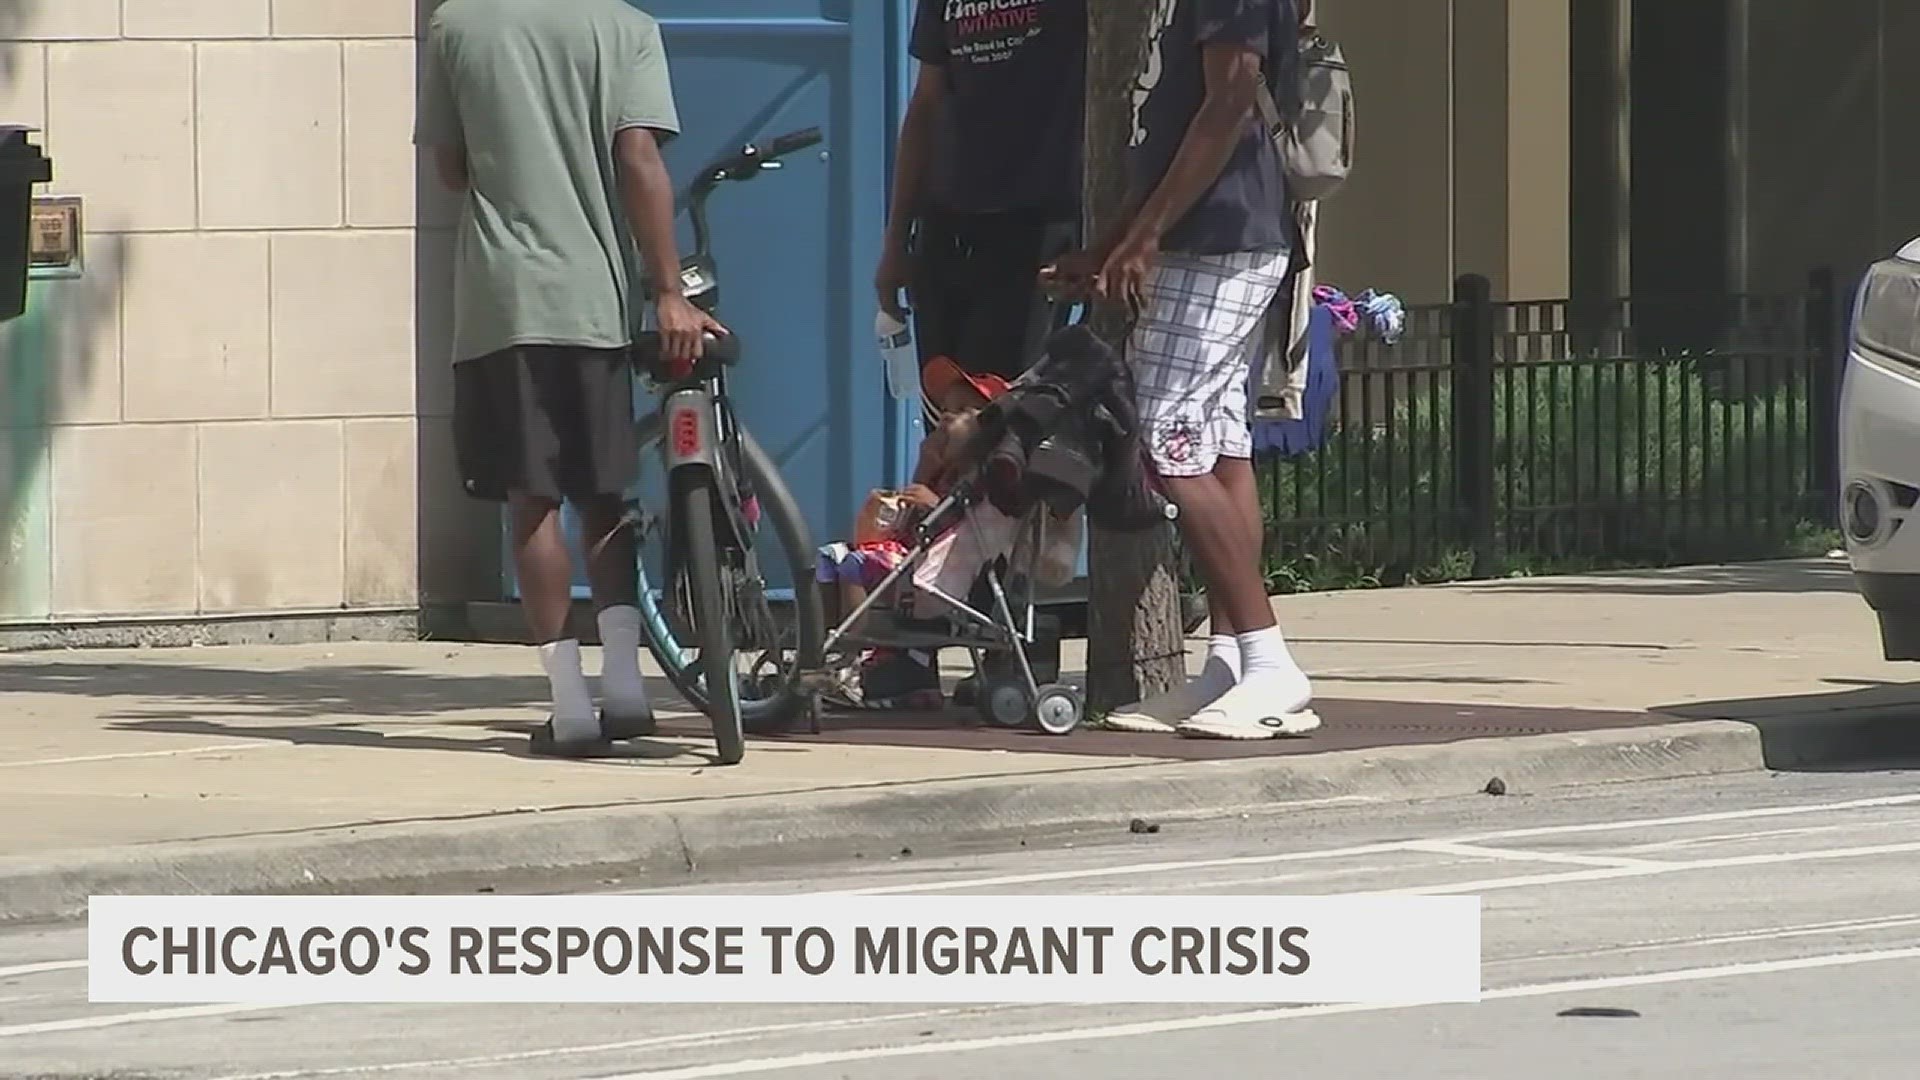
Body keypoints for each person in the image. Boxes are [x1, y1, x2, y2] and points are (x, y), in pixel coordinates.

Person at [414, 0, 725, 756]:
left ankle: (569, 705)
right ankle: (625, 686)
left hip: (505, 297)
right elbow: (639, 158)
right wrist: (667, 289)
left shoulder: (458, 26)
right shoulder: (627, 29)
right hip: (594, 296)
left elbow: (451, 171)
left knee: (532, 498)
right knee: (604, 494)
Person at [1047, 0, 1319, 741]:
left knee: (1166, 440)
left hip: (1216, 241)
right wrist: (1112, 245)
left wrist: (1144, 240)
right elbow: (1170, 134)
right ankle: (1230, 664)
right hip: (1215, 239)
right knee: (1220, 446)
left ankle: (1269, 662)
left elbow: (1230, 98)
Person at [877, 0, 1088, 395]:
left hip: (1034, 225)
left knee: (999, 412)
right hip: (946, 225)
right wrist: (896, 243)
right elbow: (927, 103)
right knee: (946, 409)